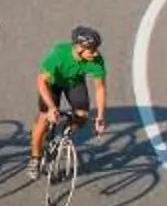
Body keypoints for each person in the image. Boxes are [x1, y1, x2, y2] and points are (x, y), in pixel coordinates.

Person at [31, 24, 109, 173]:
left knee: (82, 115)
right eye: (92, 50)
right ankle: (35, 158)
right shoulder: (59, 55)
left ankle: (61, 137)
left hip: (74, 83)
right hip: (51, 84)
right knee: (44, 118)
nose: (96, 54)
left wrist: (100, 116)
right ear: (79, 49)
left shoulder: (96, 61)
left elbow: (100, 89)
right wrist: (52, 107)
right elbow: (41, 81)